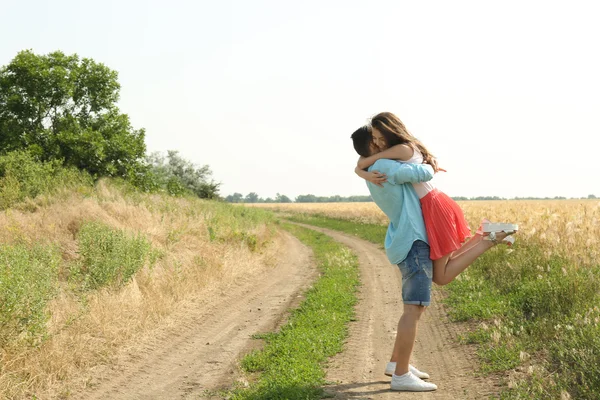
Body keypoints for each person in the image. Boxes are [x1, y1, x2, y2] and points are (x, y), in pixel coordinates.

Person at [355, 112, 518, 286]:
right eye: (374, 139)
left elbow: (365, 161)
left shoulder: (401, 149)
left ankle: (491, 240)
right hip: (433, 204)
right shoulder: (402, 148)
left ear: (392, 131)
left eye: (381, 138)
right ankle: (483, 234)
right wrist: (362, 172)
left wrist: (361, 172)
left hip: (435, 206)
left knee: (441, 277)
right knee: (449, 261)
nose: (379, 143)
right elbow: (364, 161)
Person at [351, 125, 438, 391]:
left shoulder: (374, 168)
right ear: (374, 147)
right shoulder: (386, 166)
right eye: (379, 141)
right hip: (413, 240)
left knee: (413, 308)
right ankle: (401, 376)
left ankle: (396, 363)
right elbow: (424, 172)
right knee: (414, 308)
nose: (383, 144)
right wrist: (432, 163)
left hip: (404, 238)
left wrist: (361, 164)